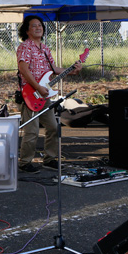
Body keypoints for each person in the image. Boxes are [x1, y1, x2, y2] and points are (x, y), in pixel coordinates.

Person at [16, 14, 82, 173]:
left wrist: (72, 70)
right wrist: (38, 87)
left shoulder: (45, 49)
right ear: (27, 30)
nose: (38, 27)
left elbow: (52, 70)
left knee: (53, 127)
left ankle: (49, 159)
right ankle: (24, 163)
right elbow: (23, 69)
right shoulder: (25, 47)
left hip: (44, 95)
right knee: (31, 131)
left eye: (40, 25)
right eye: (34, 26)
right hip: (30, 94)